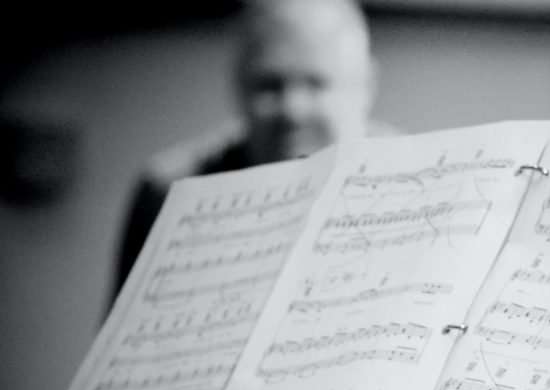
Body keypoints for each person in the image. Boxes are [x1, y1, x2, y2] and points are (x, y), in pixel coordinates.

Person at [113, 0, 383, 298]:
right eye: (270, 85)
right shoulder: (168, 192)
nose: (292, 110)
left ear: (367, 86)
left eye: (315, 83)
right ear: (239, 88)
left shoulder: (421, 185)